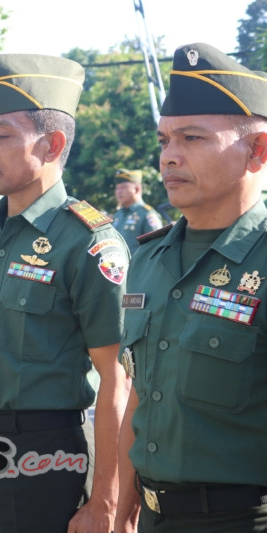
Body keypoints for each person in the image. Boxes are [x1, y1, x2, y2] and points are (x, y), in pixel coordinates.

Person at [0, 53, 131, 532]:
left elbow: (116, 380)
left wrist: (106, 501)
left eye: (3, 135)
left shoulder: (88, 242)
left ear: (52, 144)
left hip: (49, 457)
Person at [115, 42, 267, 533]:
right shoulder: (148, 259)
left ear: (257, 151)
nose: (170, 157)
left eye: (193, 138)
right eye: (164, 141)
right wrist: (120, 502)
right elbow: (139, 394)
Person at [112, 168, 163, 252]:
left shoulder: (147, 214)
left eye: (123, 187)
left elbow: (156, 248)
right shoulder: (119, 214)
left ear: (137, 189)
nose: (119, 192)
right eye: (117, 188)